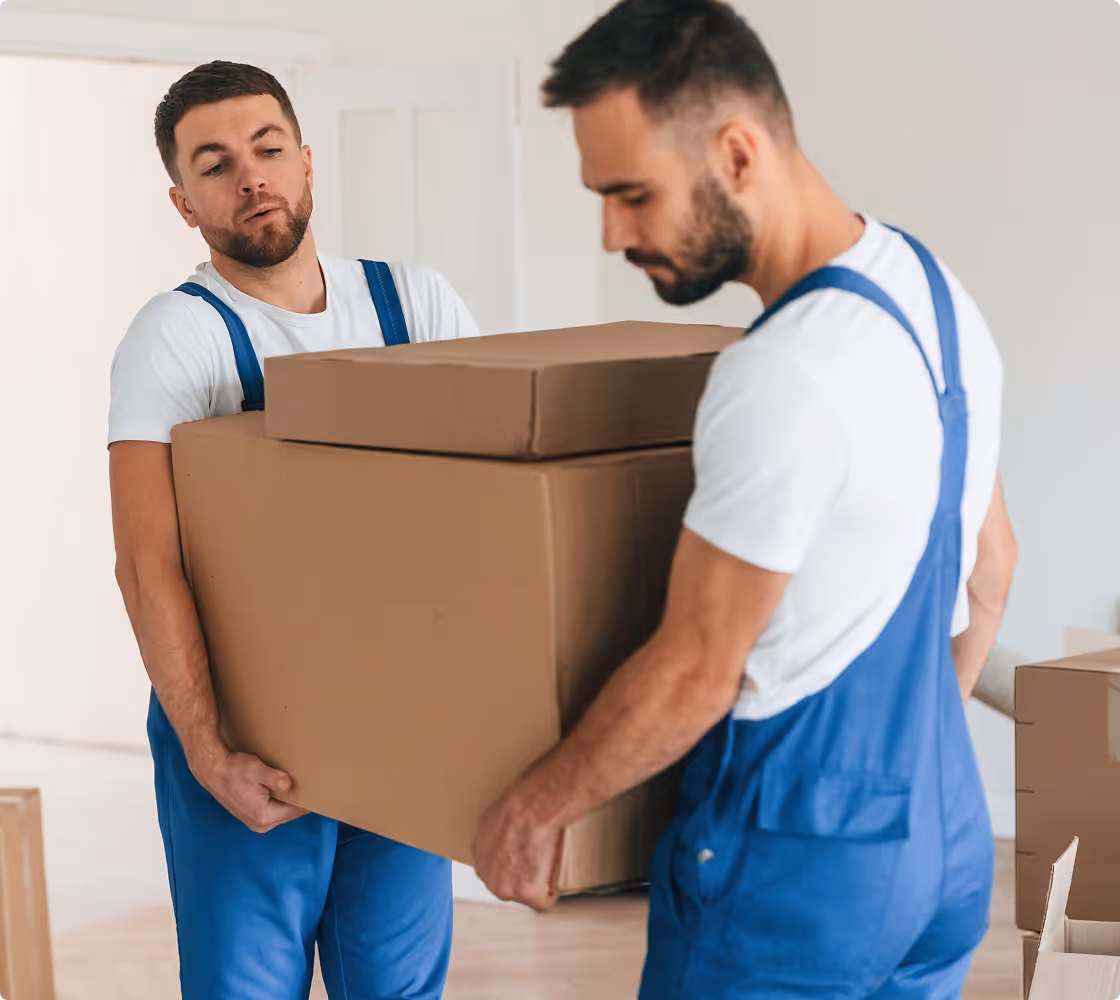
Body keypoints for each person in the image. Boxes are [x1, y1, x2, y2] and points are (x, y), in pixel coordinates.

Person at [473, 2, 1017, 997]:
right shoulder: (935, 293)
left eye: (632, 194)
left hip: (794, 869)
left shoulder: (784, 372)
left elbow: (694, 671)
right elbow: (991, 566)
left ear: (734, 151)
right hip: (941, 844)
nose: (610, 234)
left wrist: (532, 808)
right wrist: (913, 760)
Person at [109, 61, 479, 1000]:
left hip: (397, 718)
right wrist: (205, 749)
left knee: (396, 987)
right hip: (246, 728)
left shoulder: (417, 305)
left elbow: (490, 522)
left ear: (307, 160)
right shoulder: (176, 337)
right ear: (183, 202)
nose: (252, 177)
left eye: (268, 148)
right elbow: (147, 562)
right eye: (216, 164)